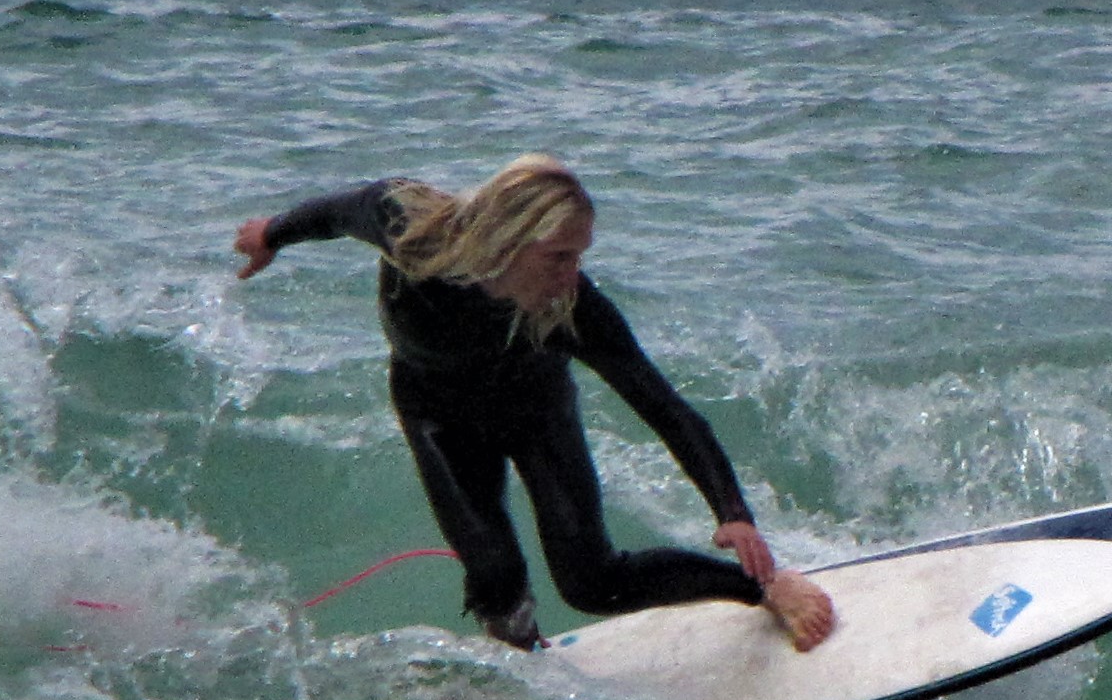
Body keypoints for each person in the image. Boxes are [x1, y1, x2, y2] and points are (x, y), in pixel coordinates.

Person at [233, 156, 836, 654]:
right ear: (509, 238)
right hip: (436, 415)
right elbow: (337, 212)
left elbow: (661, 403)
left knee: (593, 583)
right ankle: (525, 659)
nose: (571, 276)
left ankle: (763, 590)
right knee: (495, 580)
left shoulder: (570, 311)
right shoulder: (410, 230)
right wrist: (271, 236)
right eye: (558, 257)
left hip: (535, 413)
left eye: (579, 257)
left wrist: (730, 509)